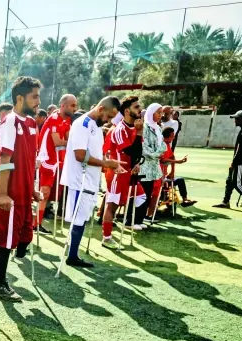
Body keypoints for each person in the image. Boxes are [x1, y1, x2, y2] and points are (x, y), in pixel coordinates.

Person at [0, 76, 42, 301]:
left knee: (25, 238)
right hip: (11, 196)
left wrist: (32, 190)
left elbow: (28, 161)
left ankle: (11, 268)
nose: (38, 101)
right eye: (34, 97)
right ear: (20, 98)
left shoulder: (31, 123)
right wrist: (2, 194)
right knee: (6, 243)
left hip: (25, 195)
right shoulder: (10, 122)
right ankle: (0, 284)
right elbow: (5, 159)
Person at [61, 97, 124, 267]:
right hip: (79, 181)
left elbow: (94, 153)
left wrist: (109, 164)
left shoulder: (95, 126)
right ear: (101, 109)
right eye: (108, 116)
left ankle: (73, 255)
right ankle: (72, 256)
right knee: (78, 219)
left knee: (82, 218)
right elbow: (80, 155)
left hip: (90, 181)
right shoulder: (82, 125)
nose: (108, 121)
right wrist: (105, 163)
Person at [101, 96, 145, 249]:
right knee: (112, 205)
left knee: (140, 197)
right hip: (117, 173)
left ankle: (126, 223)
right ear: (127, 111)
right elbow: (129, 150)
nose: (140, 110)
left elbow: (138, 152)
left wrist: (137, 163)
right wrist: (139, 133)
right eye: (136, 107)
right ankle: (106, 238)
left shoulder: (134, 128)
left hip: (128, 172)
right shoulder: (120, 129)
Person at [36, 94, 76, 234]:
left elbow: (68, 138)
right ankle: (36, 223)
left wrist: (71, 142)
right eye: (72, 105)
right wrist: (71, 143)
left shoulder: (67, 120)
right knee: (44, 192)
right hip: (46, 158)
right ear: (63, 105)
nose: (75, 108)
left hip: (57, 160)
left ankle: (36, 222)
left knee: (49, 194)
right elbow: (57, 142)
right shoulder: (54, 118)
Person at [213, 110, 242, 211]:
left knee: (237, 183)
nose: (235, 120)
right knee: (229, 181)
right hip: (240, 160)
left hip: (241, 161)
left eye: (237, 119)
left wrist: (234, 162)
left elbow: (241, 149)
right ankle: (225, 201)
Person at [134, 103, 166, 226]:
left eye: (161, 113)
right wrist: (155, 154)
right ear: (151, 113)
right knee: (141, 194)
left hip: (153, 168)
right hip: (144, 166)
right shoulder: (144, 127)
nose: (160, 115)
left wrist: (158, 153)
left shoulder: (158, 128)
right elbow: (143, 146)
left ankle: (140, 220)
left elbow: (163, 145)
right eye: (158, 112)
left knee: (148, 194)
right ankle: (133, 220)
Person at [159, 128, 196, 209]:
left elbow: (172, 156)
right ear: (167, 136)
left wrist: (172, 171)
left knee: (180, 180)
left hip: (164, 177)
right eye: (172, 136)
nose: (174, 137)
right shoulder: (161, 145)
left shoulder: (167, 145)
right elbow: (162, 160)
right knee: (178, 180)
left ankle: (185, 200)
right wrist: (178, 161)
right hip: (158, 178)